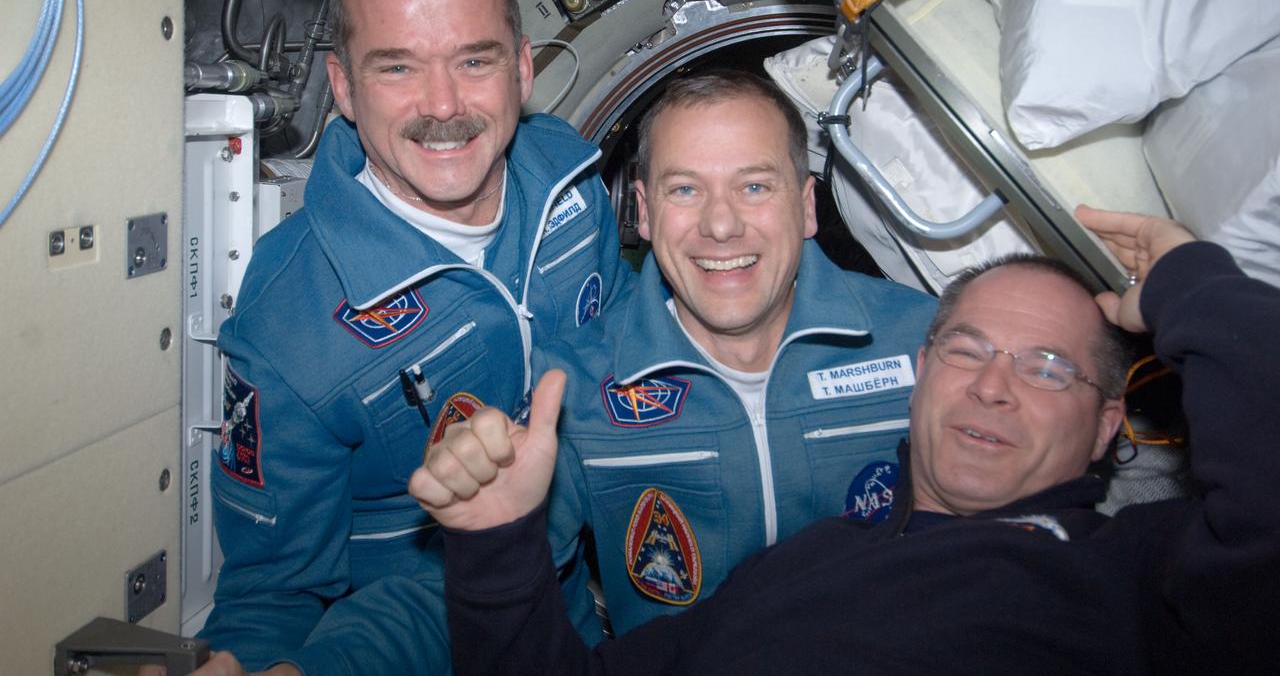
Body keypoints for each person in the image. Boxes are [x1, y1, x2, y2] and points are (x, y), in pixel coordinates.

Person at [418, 205, 1276, 674]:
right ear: (921, 376)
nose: (991, 385)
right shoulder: (803, 565)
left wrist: (1192, 287)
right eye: (967, 350)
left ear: (1103, 427)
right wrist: (494, 541)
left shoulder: (1134, 573)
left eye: (1047, 368)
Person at [191, 0, 632, 676]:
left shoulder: (570, 180)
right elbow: (273, 592)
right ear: (343, 88)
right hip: (424, 639)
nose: (442, 104)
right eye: (397, 68)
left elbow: (626, 352)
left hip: (584, 603)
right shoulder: (290, 320)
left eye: (474, 60)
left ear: (522, 71)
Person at [414, 71, 937, 638]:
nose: (720, 225)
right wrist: (495, 542)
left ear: (807, 206)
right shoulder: (574, 389)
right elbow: (510, 596)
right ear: (643, 209)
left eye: (755, 186)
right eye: (685, 189)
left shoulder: (923, 346)